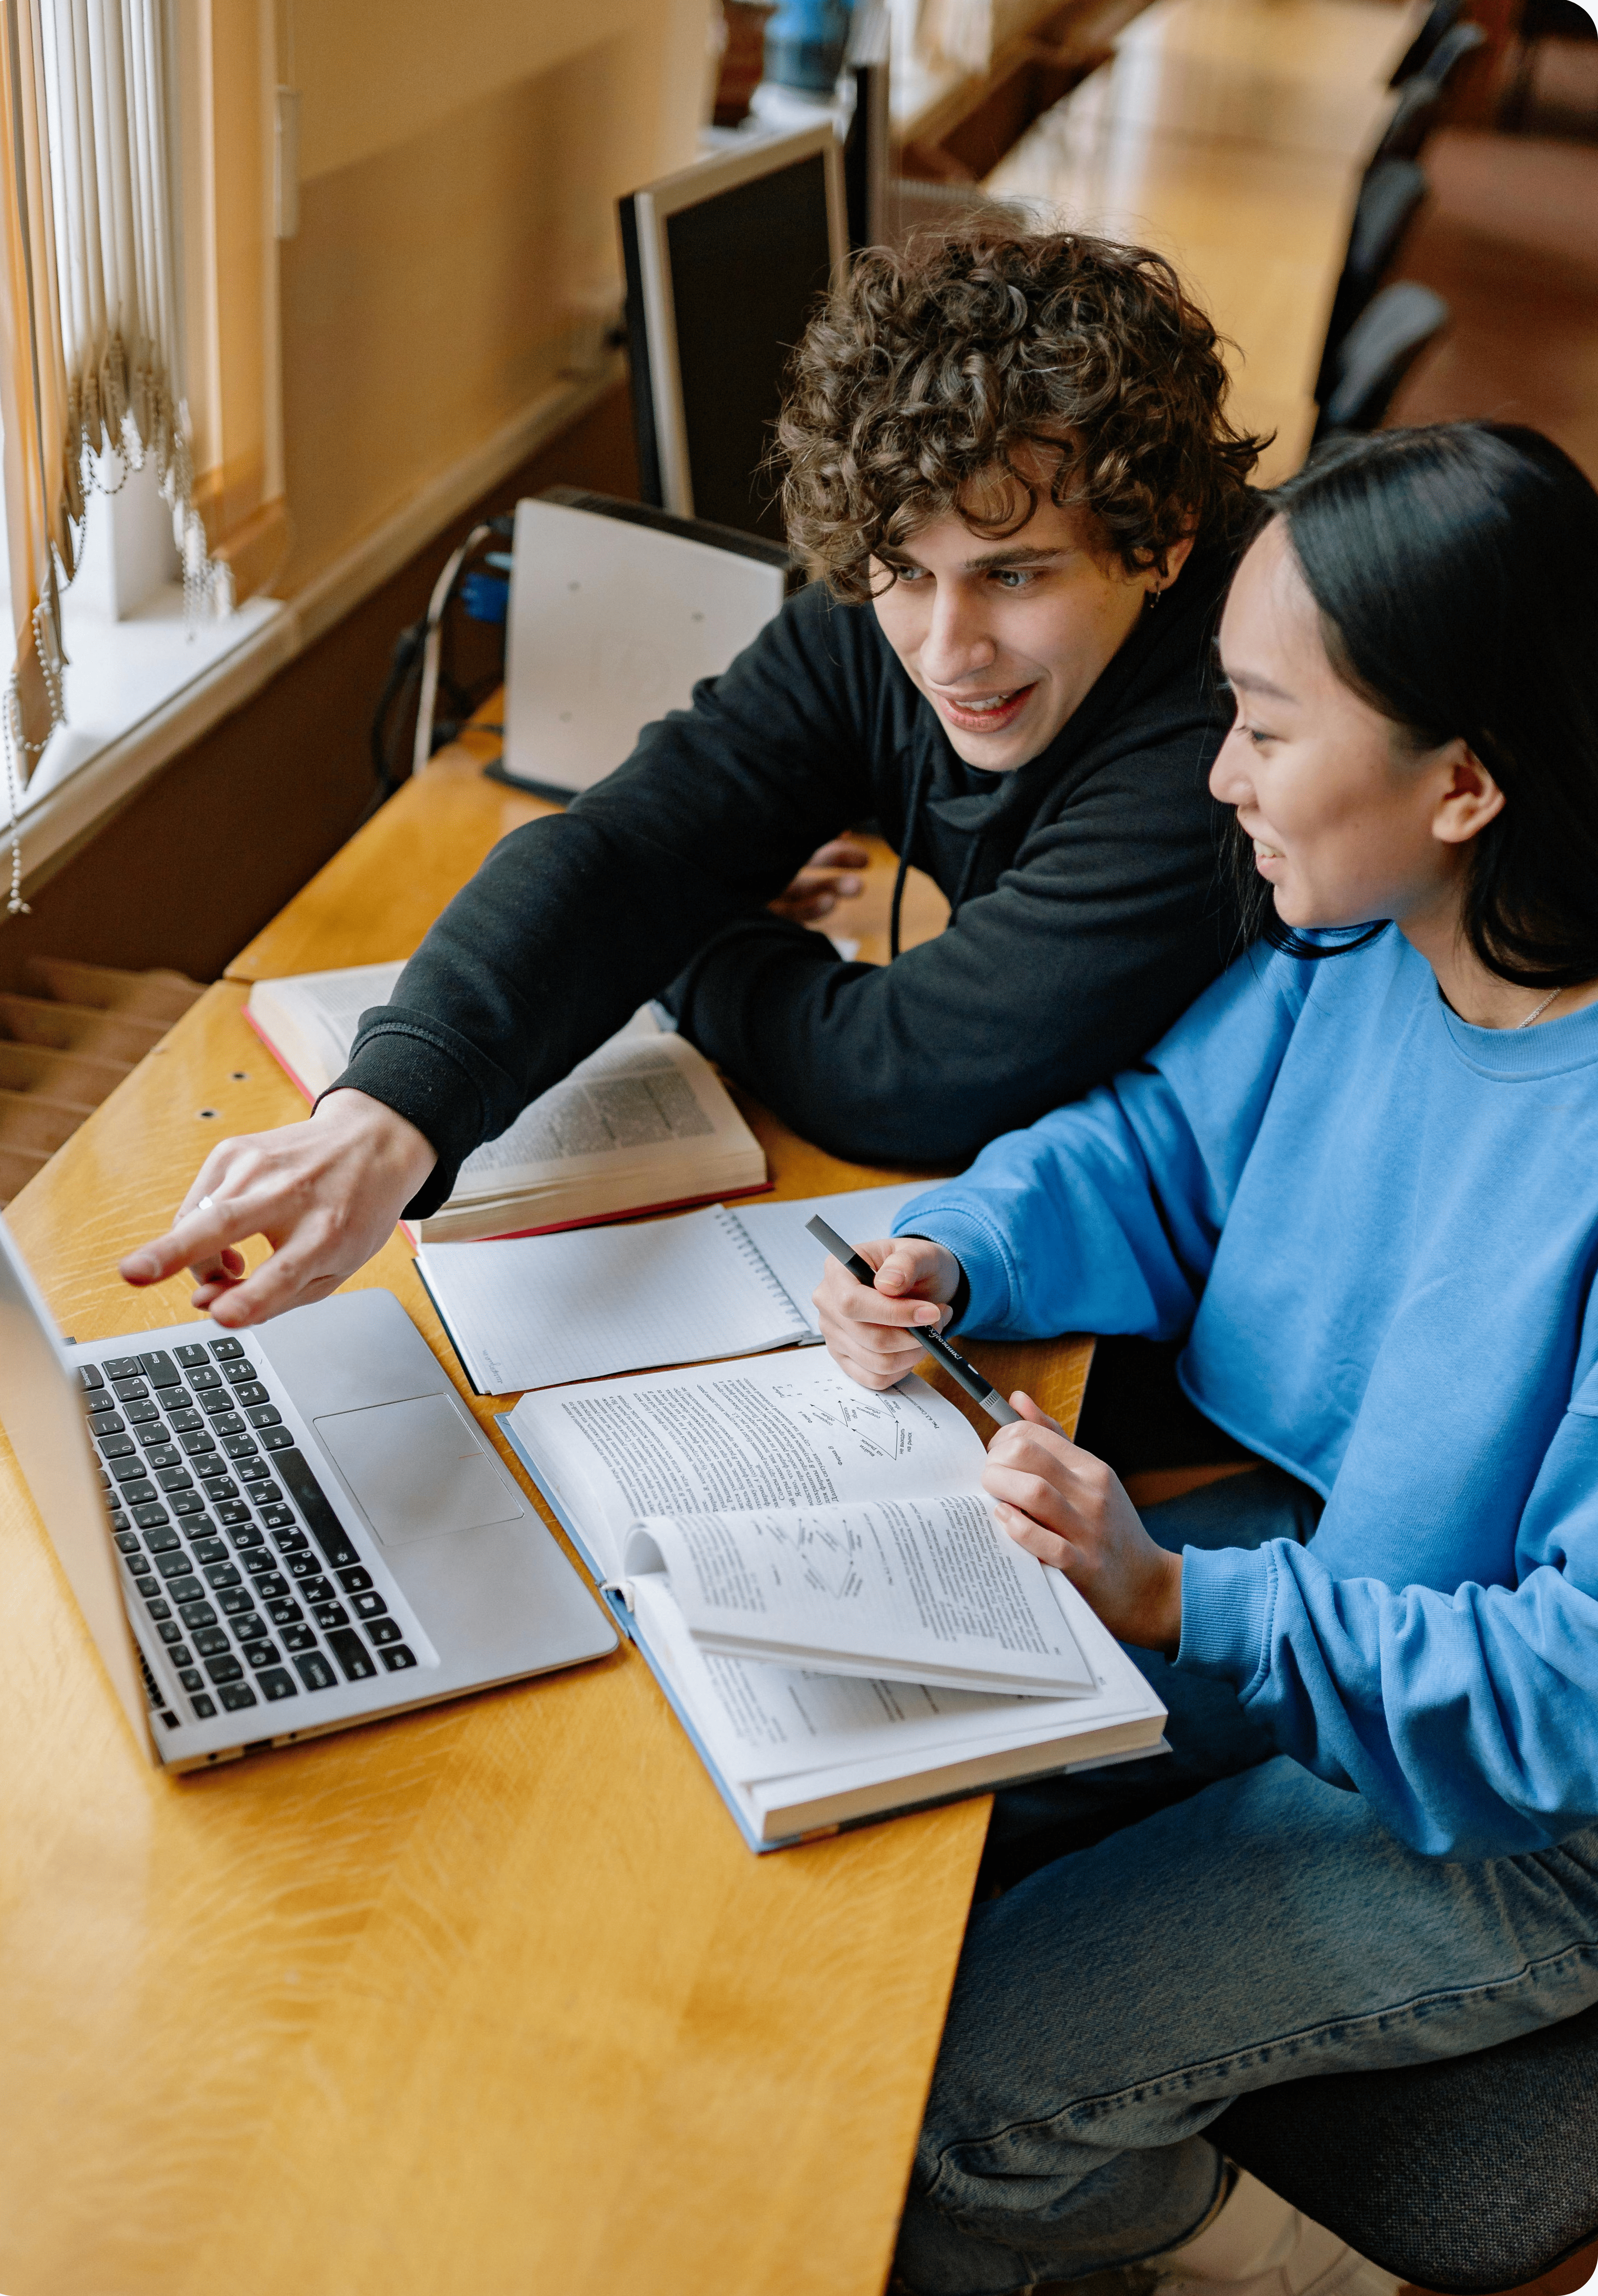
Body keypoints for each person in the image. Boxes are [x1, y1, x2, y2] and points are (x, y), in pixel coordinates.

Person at [813, 422, 1598, 2296]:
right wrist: (963, 1248)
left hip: (1538, 1809)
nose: (1219, 772)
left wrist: (1183, 1601)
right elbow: (1157, 1148)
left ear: (1466, 782)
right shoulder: (1371, 945)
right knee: (887, 1853)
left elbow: (1571, 1692)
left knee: (953, 2100)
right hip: (1340, 1607)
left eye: (1261, 721)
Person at [121, 223, 1264, 1325]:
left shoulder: (1242, 725)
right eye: (900, 573)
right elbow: (634, 843)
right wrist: (385, 1114)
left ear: (1158, 538)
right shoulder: (897, 598)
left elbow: (903, 1073)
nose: (944, 650)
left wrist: (694, 937)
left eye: (1013, 579)